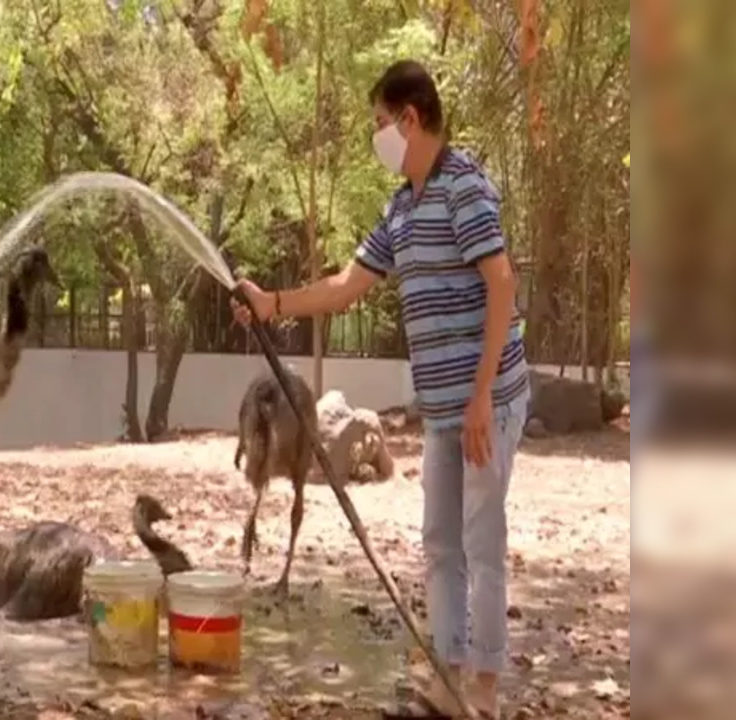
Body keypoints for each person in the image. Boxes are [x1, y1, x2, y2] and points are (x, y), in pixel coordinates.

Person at [231, 60, 529, 719]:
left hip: (489, 398)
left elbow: (502, 284)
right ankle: (448, 676)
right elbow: (345, 286)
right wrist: (271, 302)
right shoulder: (402, 208)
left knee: (480, 540)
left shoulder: (463, 188)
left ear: (410, 119)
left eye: (379, 125)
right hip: (444, 406)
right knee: (440, 540)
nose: (377, 139)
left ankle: (483, 691)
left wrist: (483, 396)